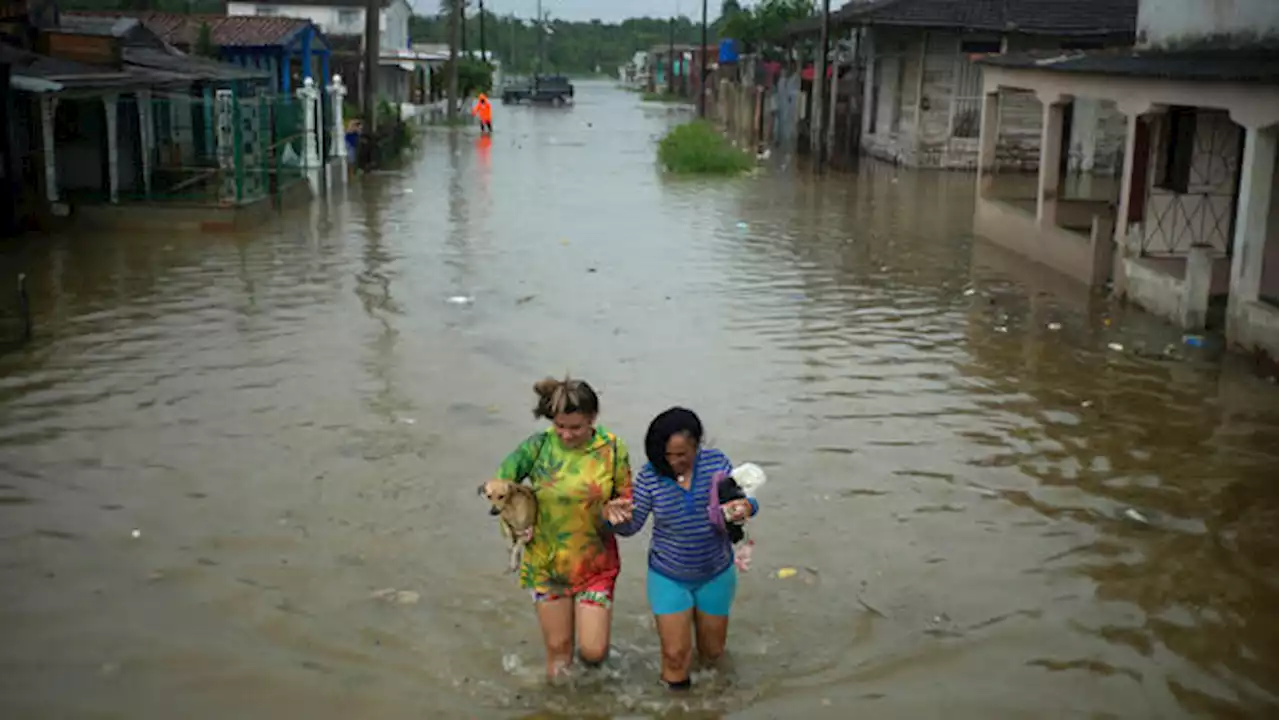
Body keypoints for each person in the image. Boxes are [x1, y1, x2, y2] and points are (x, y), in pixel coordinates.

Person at [489, 376, 633, 680]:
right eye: (560, 427)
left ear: (593, 418)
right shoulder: (537, 446)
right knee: (559, 651)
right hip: (546, 562)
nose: (566, 435)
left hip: (595, 563)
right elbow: (500, 485)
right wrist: (515, 525)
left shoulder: (613, 449)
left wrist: (615, 512)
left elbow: (627, 501)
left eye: (575, 428)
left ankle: (594, 698)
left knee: (593, 652)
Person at [604, 407, 758, 689]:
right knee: (675, 657)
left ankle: (712, 707)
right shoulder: (650, 477)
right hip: (668, 575)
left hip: (715, 572)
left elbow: (743, 502)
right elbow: (631, 526)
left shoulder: (716, 464)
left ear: (697, 445)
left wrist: (747, 507)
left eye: (682, 454)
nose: (674, 462)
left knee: (713, 655)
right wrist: (613, 517)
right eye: (667, 455)